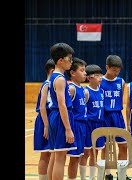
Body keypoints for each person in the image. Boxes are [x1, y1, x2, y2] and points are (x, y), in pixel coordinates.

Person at [46, 42, 76, 180]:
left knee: (56, 155)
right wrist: (68, 129)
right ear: (60, 60)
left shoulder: (56, 77)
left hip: (56, 117)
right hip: (60, 118)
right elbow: (62, 105)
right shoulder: (60, 79)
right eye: (69, 58)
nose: (71, 61)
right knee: (60, 158)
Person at [99, 55, 128, 180]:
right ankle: (107, 173)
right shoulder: (100, 81)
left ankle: (121, 173)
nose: (116, 73)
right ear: (107, 67)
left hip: (117, 115)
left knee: (124, 145)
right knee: (106, 146)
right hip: (105, 116)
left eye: (118, 70)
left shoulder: (121, 82)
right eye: (114, 70)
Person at [80, 64, 105, 180]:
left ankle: (91, 177)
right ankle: (83, 177)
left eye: (101, 75)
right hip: (89, 125)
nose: (100, 78)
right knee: (86, 153)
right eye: (97, 76)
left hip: (99, 125)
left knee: (95, 153)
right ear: (89, 78)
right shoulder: (86, 92)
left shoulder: (101, 91)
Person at [65, 58, 88, 180]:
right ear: (73, 73)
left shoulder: (83, 90)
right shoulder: (71, 88)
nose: (85, 73)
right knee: (74, 158)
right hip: (75, 126)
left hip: (83, 126)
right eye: (82, 70)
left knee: (78, 156)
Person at [33, 58, 55, 180]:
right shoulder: (47, 85)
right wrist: (46, 125)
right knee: (45, 154)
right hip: (44, 120)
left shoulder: (51, 84)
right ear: (52, 71)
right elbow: (42, 107)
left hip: (49, 120)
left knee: (50, 154)